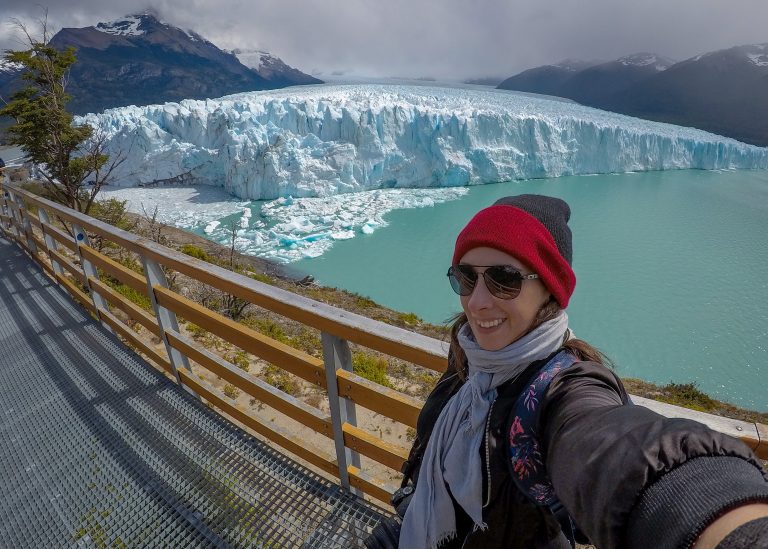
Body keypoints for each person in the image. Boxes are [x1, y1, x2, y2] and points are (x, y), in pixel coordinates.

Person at [365, 194, 768, 549]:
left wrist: (725, 518)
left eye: (504, 279)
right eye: (466, 277)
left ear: (550, 290)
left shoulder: (563, 386)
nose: (478, 302)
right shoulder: (470, 356)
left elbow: (609, 442)